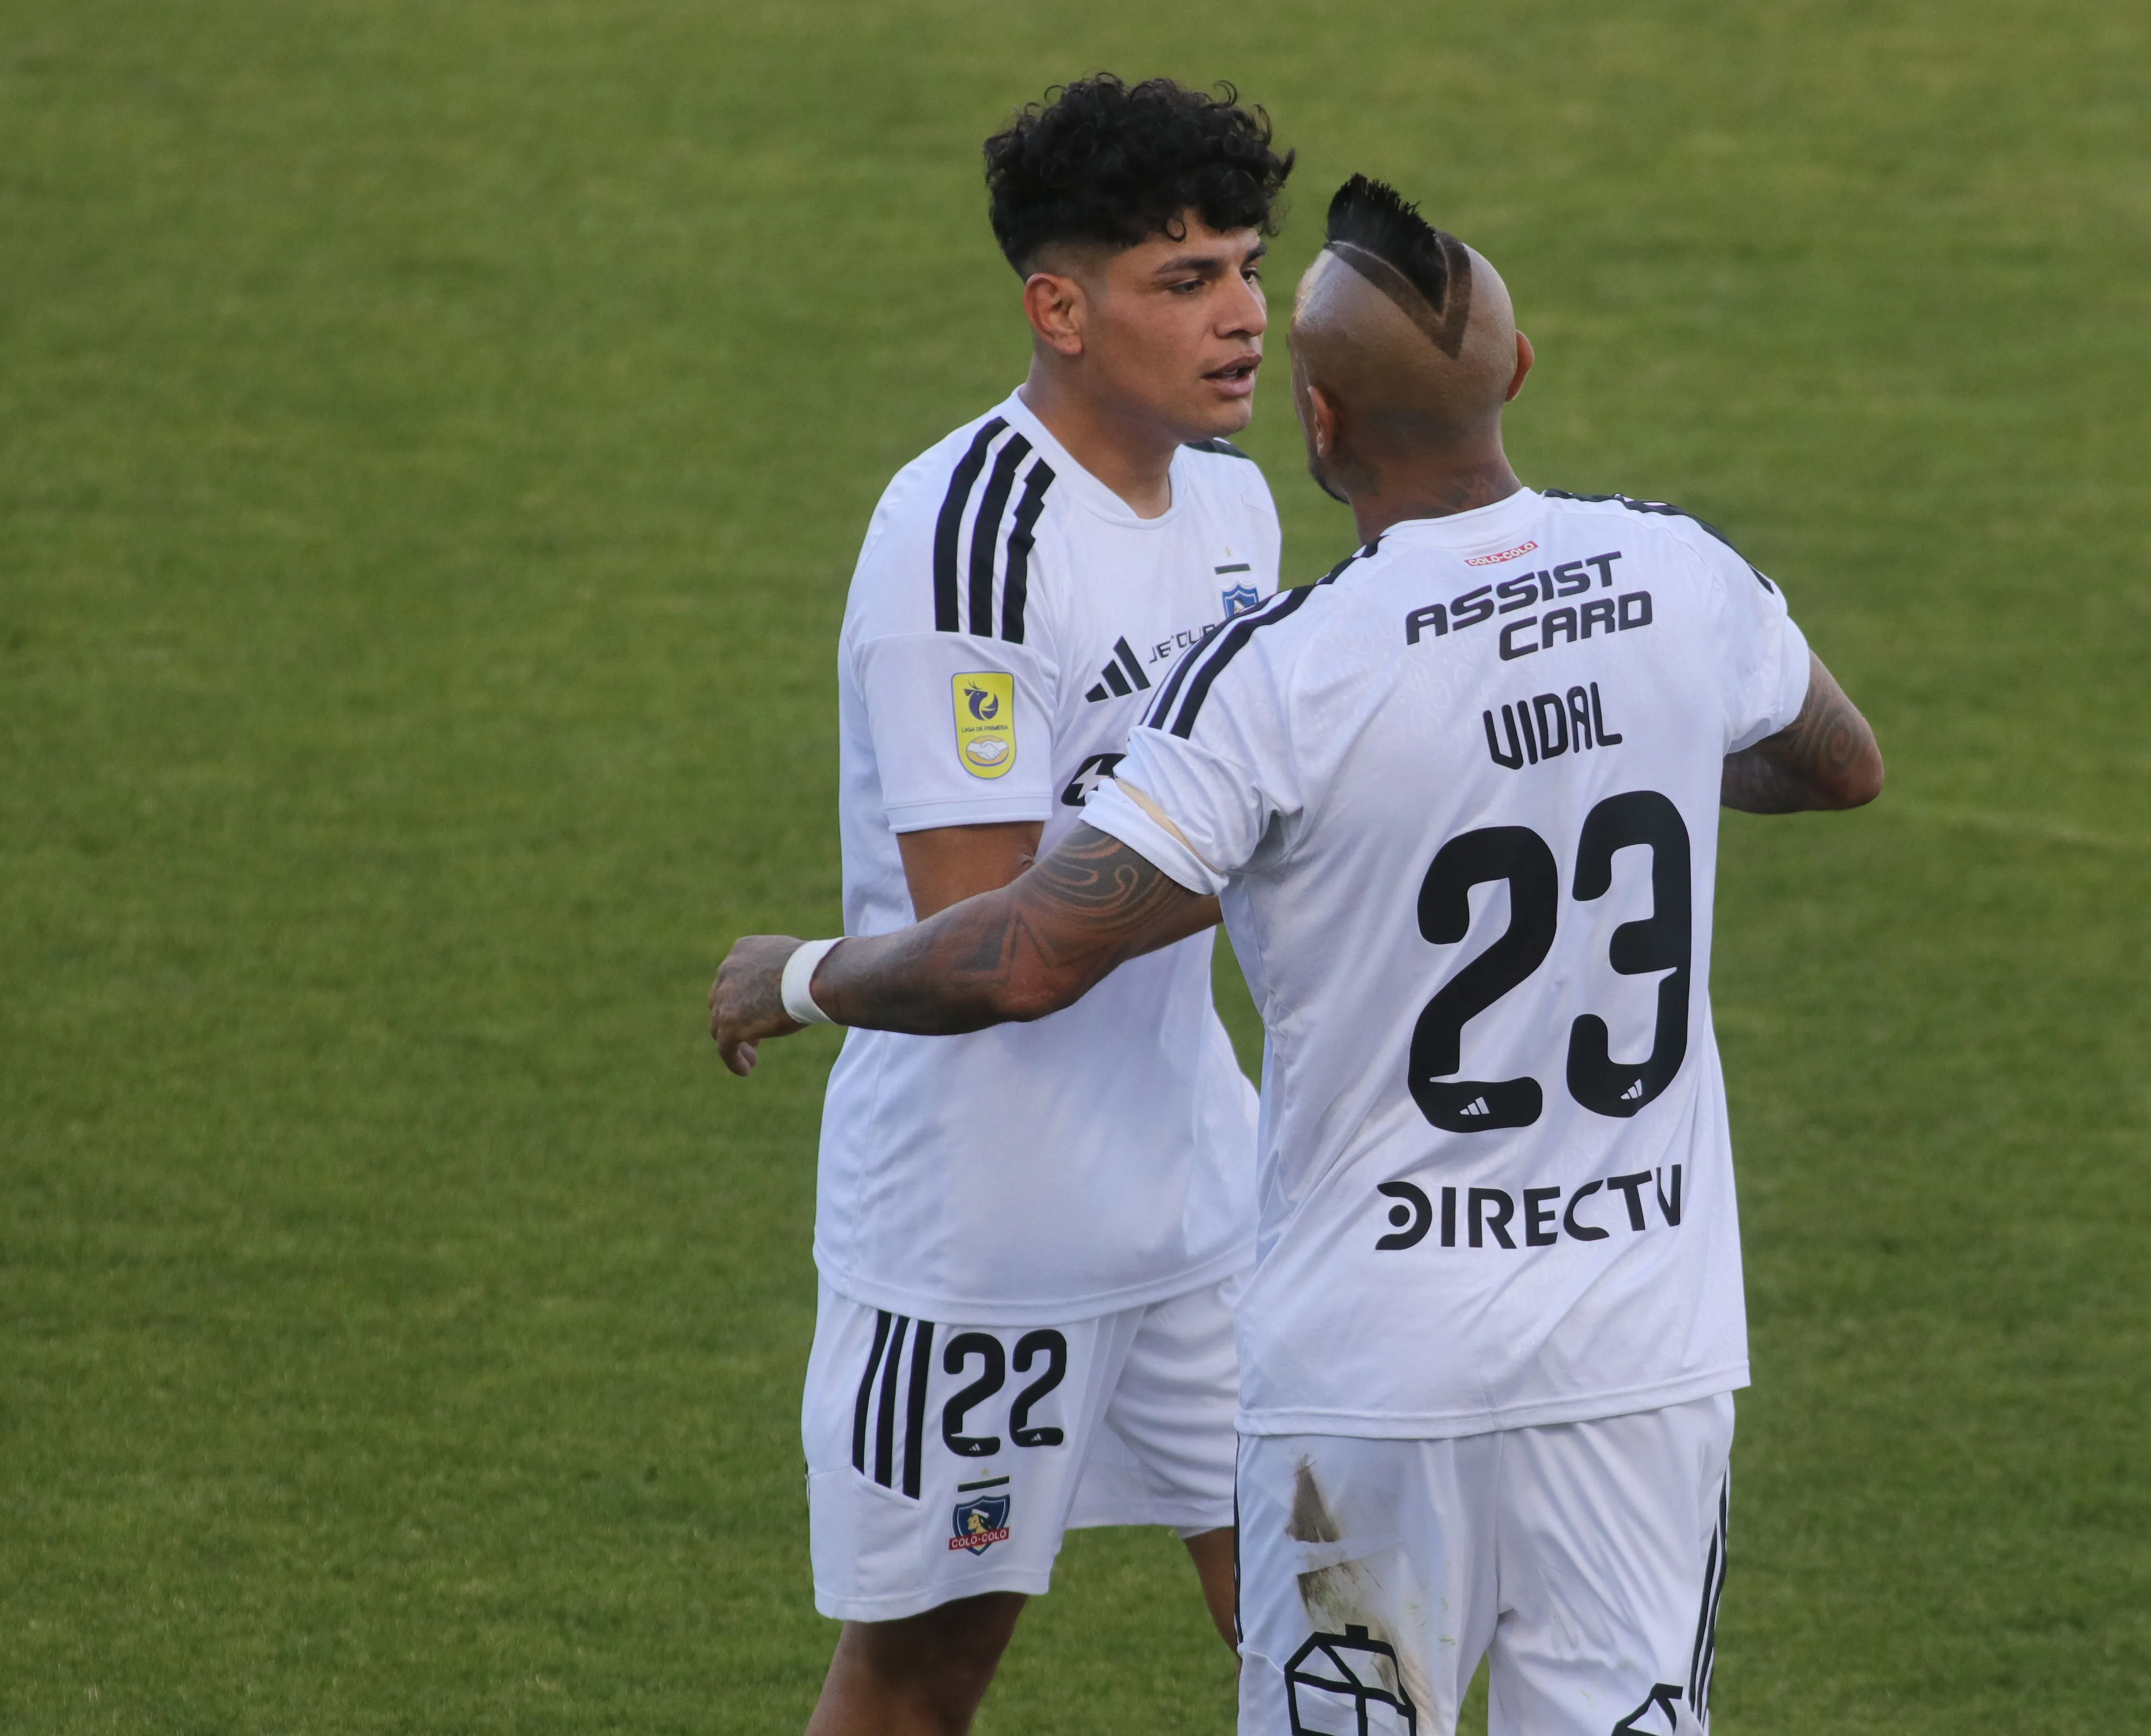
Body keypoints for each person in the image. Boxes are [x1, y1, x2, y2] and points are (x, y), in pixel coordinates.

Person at [714, 176, 1883, 1733]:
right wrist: (1606, 749)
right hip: (1642, 1357)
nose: (1240, 319)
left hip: (1372, 1370)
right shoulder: (1679, 574)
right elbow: (1838, 763)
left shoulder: (1286, 672)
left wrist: (799, 976)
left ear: (1319, 423)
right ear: (1520, 374)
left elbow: (1027, 954)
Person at [721, 76, 1294, 1736]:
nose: (1245, 316)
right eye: (1185, 279)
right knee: (922, 1674)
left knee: (1325, 1630)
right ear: (1060, 308)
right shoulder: (964, 538)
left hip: (1208, 1190)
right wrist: (1268, 838)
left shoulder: (1234, 500)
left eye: (1247, 268)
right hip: (985, 1233)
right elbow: (994, 934)